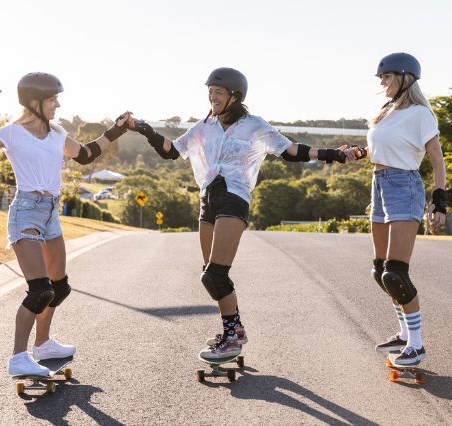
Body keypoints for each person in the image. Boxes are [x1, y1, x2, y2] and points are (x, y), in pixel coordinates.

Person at [130, 67, 349, 359]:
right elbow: (172, 151)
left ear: (234, 96)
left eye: (218, 92)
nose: (212, 97)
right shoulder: (204, 126)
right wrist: (144, 128)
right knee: (209, 273)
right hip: (208, 197)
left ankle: (232, 338)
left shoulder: (253, 125)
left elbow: (288, 149)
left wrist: (330, 153)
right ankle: (235, 329)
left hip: (234, 196)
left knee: (215, 275)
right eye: (209, 91)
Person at [0, 73, 132, 375]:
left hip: (50, 213)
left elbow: (86, 155)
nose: (58, 105)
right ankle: (18, 358)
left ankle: (43, 344)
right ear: (34, 102)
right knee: (40, 291)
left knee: (58, 288)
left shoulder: (57, 133)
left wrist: (115, 130)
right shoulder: (11, 133)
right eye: (53, 100)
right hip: (26, 211)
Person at [349, 53, 447, 365]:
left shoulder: (420, 114)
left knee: (396, 273)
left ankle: (416, 345)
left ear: (405, 79)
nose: (382, 82)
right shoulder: (387, 111)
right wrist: (359, 152)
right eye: (381, 77)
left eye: (387, 77)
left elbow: (436, 159)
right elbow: (385, 147)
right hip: (379, 184)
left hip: (404, 186)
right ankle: (404, 335)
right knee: (381, 272)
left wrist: (439, 200)